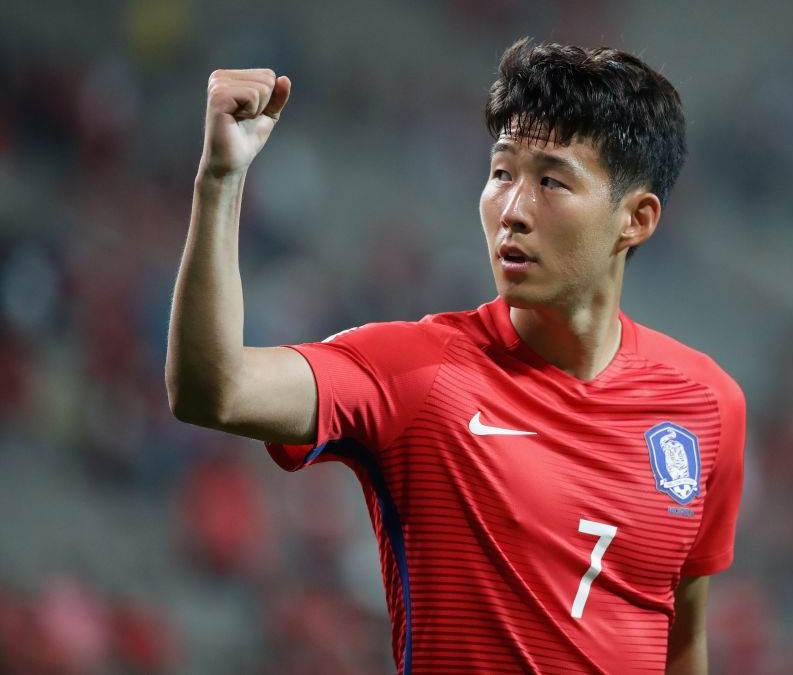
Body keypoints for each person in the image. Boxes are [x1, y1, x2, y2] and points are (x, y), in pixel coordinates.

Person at [166, 37, 745, 675]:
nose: (513, 211)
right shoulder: (418, 375)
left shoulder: (708, 405)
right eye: (501, 173)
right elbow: (213, 390)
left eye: (551, 181)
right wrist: (220, 181)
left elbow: (682, 641)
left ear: (636, 219)